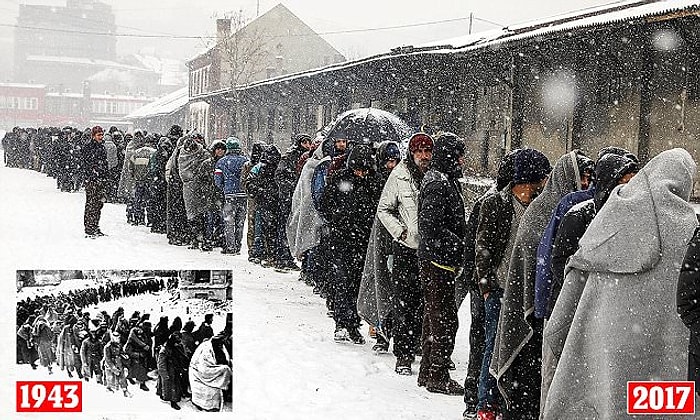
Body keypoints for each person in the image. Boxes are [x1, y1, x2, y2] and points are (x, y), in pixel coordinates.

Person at [541, 148, 697, 418]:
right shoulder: (689, 231)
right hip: (669, 369)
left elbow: (571, 290)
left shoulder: (610, 220)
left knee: (611, 404)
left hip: (605, 355)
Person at [490, 150, 592, 418]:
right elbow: (531, 254)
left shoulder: (581, 211)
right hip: (534, 313)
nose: (586, 183)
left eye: (590, 178)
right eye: (581, 177)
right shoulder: (544, 209)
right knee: (528, 379)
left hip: (553, 307)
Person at [472, 148, 551, 420]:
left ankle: (509, 400)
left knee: (518, 350)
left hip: (527, 295)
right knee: (494, 345)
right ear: (528, 179)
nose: (544, 183)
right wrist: (487, 288)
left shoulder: (541, 207)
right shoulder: (496, 203)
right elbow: (482, 248)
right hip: (500, 290)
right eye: (541, 177)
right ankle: (485, 403)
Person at [370, 133, 432, 374]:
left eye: (427, 151)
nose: (424, 156)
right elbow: (384, 210)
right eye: (419, 151)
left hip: (429, 250)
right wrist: (401, 232)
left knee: (425, 303)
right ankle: (403, 354)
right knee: (404, 301)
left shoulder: (436, 176)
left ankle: (418, 343)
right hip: (406, 249)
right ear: (412, 153)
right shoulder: (399, 175)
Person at [416, 132, 466, 395]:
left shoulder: (443, 179)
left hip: (439, 259)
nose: (462, 161)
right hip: (437, 261)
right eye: (458, 155)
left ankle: (428, 371)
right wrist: (461, 244)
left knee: (435, 318)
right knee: (444, 320)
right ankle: (437, 375)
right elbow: (431, 227)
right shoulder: (438, 183)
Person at [320, 144, 381, 344]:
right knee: (341, 282)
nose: (361, 174)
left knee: (356, 284)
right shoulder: (340, 178)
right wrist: (339, 217)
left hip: (363, 241)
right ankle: (340, 323)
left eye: (364, 170)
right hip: (341, 239)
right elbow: (325, 205)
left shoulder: (374, 182)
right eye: (358, 170)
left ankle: (353, 324)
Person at [215, 137, 249, 254]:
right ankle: (238, 245)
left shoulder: (221, 162)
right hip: (243, 196)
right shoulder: (245, 161)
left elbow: (218, 181)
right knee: (240, 222)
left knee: (229, 222)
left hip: (229, 196)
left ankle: (230, 247)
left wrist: (224, 188)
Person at [189, 329, 232, 411]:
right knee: (211, 391)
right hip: (198, 374)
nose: (221, 345)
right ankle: (202, 405)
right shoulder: (206, 349)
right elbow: (204, 369)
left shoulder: (220, 346)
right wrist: (222, 369)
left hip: (211, 371)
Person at [81, 126, 109, 237]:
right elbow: (86, 164)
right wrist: (92, 175)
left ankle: (95, 226)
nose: (101, 137)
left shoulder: (102, 147)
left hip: (100, 180)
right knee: (91, 204)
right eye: (99, 135)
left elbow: (104, 164)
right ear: (93, 136)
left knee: (98, 204)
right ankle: (89, 227)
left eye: (102, 135)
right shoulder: (88, 148)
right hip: (92, 180)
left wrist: (104, 177)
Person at [156, 333, 184, 410]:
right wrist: (164, 375)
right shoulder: (164, 350)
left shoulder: (175, 347)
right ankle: (173, 402)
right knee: (170, 387)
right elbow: (161, 364)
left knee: (174, 386)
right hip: (169, 371)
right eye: (176, 342)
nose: (178, 343)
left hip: (175, 369)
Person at [103, 331, 132, 397]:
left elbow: (121, 352)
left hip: (118, 362)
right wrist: (113, 368)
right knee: (110, 378)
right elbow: (108, 359)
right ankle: (109, 388)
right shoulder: (107, 347)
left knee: (122, 377)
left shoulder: (119, 345)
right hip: (110, 365)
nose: (117, 339)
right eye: (115, 337)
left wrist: (124, 355)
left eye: (118, 337)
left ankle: (125, 390)